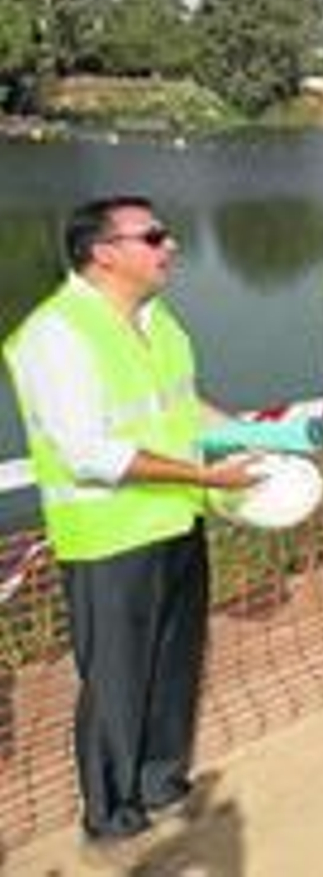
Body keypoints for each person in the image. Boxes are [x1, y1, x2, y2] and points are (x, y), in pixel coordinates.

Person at [3, 196, 258, 845]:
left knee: (175, 663)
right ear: (104, 253)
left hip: (177, 521)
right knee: (116, 678)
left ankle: (160, 781)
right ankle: (111, 814)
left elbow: (183, 405)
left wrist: (261, 441)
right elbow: (89, 453)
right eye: (152, 237)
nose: (169, 246)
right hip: (109, 538)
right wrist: (204, 477)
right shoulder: (53, 336)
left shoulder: (158, 319)